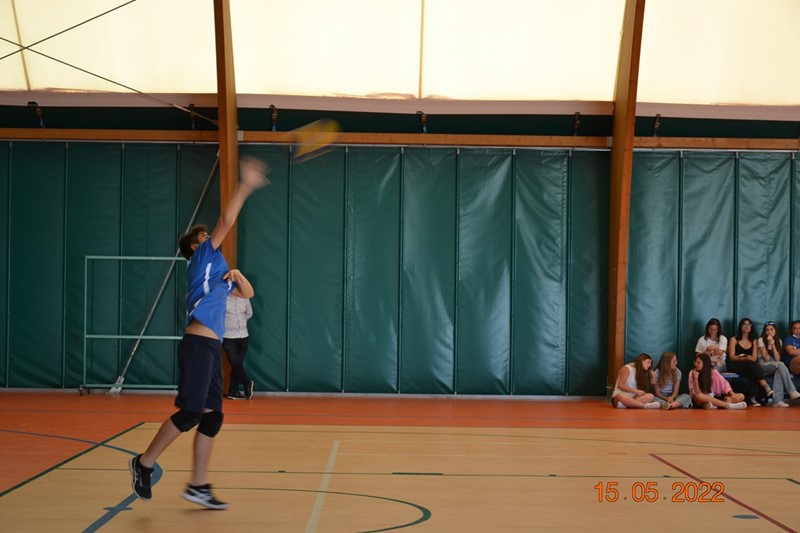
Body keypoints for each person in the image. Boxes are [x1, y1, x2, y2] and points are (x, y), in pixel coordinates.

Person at [128, 156, 270, 510]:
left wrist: (236, 275)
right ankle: (143, 463)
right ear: (196, 246)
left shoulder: (217, 273)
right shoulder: (203, 257)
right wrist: (246, 185)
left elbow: (249, 294)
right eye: (205, 237)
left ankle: (199, 486)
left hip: (210, 347)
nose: (211, 238)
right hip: (198, 344)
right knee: (191, 413)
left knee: (213, 416)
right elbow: (226, 220)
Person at [726, 318, 773, 406]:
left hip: (749, 365)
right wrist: (745, 358)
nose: (747, 326)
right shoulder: (734, 339)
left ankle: (752, 398)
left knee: (752, 370)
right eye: (744, 324)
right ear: (740, 326)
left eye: (749, 324)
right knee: (752, 366)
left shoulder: (754, 341)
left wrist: (748, 358)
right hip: (736, 365)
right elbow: (732, 357)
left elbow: (754, 358)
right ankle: (765, 386)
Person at [757, 321, 800, 407]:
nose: (769, 332)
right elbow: (766, 358)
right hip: (763, 365)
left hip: (774, 364)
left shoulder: (779, 341)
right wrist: (769, 345)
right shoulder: (761, 340)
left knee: (779, 371)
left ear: (775, 331)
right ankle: (792, 390)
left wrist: (773, 346)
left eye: (771, 329)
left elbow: (777, 359)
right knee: (780, 365)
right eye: (767, 330)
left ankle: (777, 400)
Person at [223, 294, 254, 400]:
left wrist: (241, 323)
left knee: (237, 364)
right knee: (234, 361)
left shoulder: (245, 297)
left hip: (244, 335)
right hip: (228, 336)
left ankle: (233, 391)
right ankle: (247, 382)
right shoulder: (223, 297)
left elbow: (249, 313)